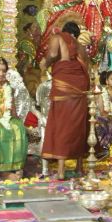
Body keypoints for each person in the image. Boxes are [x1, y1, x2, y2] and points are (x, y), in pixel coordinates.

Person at [39, 22, 90, 180]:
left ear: (64, 31)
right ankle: (79, 167)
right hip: (80, 87)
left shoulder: (58, 37)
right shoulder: (81, 47)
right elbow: (86, 67)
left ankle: (61, 171)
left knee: (62, 124)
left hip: (64, 85)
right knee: (78, 125)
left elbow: (53, 54)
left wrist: (45, 63)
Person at [96, 70, 112, 154]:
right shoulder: (102, 93)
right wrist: (111, 117)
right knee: (106, 121)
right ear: (107, 81)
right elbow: (102, 111)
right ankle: (106, 147)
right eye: (111, 79)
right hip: (106, 117)